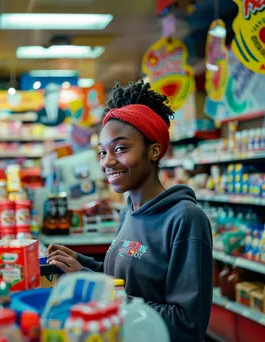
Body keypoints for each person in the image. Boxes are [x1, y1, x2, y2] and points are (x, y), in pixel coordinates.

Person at [47, 80, 213, 342]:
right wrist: (80, 264)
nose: (107, 161)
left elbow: (186, 324)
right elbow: (124, 280)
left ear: (154, 151)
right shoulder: (129, 211)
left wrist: (92, 285)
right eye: (102, 152)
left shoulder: (185, 219)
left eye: (121, 148)